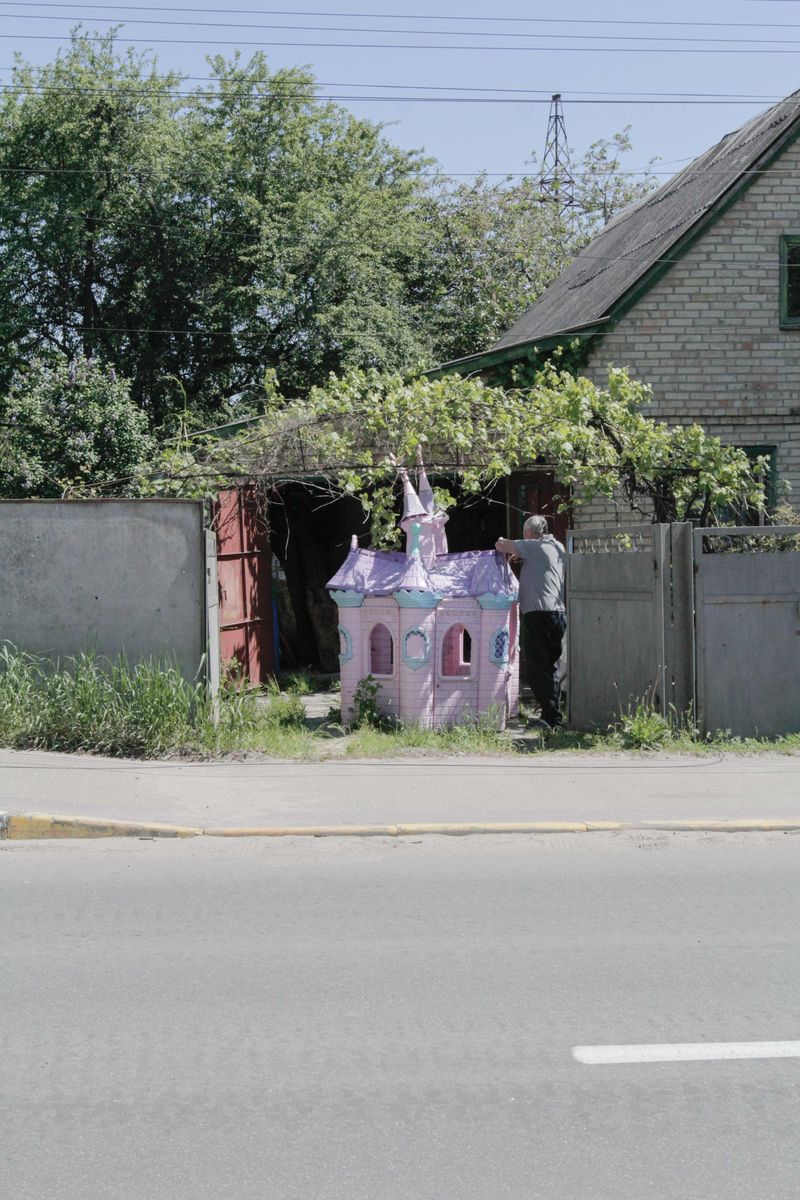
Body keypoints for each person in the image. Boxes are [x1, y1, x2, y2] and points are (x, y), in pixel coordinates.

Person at [496, 516, 566, 729]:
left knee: (537, 669)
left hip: (540, 615)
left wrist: (517, 547)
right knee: (549, 667)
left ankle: (550, 718)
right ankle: (552, 715)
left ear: (528, 533)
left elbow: (500, 544)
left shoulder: (535, 546)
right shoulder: (557, 546)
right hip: (556, 614)